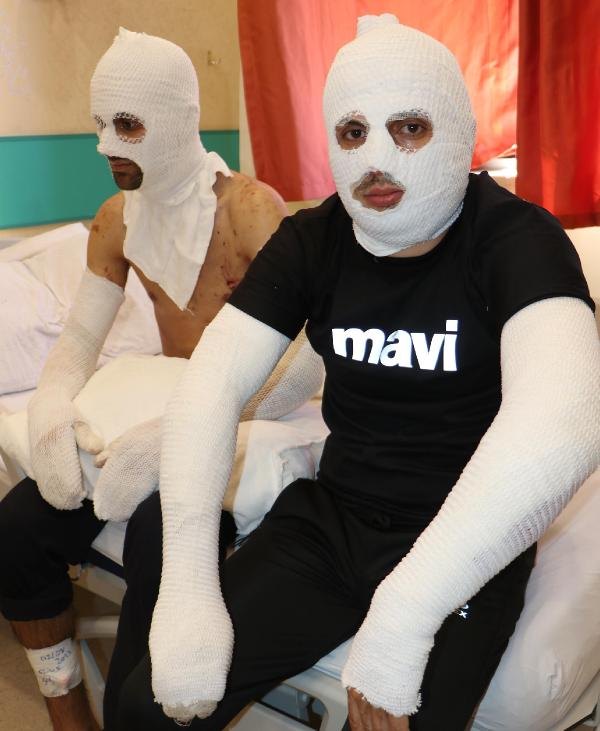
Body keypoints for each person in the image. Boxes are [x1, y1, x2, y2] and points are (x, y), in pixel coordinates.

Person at [110, 15, 599, 731]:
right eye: (352, 133)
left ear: (458, 128)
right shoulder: (316, 237)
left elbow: (565, 421)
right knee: (145, 710)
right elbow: (211, 384)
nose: (377, 160)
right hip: (333, 523)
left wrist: (405, 614)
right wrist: (188, 590)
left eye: (409, 129)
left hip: (467, 538)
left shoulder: (517, 238)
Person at [0, 28, 323, 731]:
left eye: (127, 124)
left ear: (175, 120)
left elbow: (310, 356)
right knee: (17, 525)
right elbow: (78, 342)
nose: (105, 145)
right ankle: (67, 712)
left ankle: (136, 712)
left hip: (251, 411)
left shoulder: (250, 211)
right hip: (159, 404)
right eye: (98, 124)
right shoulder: (116, 220)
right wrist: (50, 409)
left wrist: (189, 430)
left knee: (161, 532)